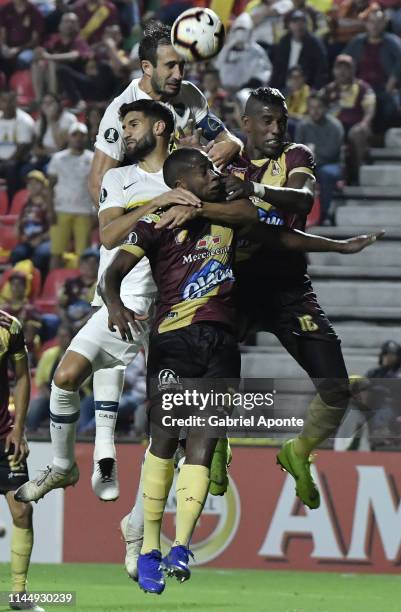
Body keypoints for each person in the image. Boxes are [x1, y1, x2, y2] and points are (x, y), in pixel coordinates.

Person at [101, 145, 381, 594]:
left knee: (201, 443)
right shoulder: (155, 222)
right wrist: (114, 304)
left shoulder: (232, 219)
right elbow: (112, 271)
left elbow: (280, 239)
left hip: (222, 346)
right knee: (164, 442)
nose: (215, 173)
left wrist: (340, 247)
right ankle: (149, 548)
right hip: (173, 341)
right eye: (205, 170)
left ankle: (182, 545)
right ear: (180, 182)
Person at [85, 20, 244, 501]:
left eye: (183, 63)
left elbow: (231, 143)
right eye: (171, 65)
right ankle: (108, 453)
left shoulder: (191, 97)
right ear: (147, 67)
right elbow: (99, 182)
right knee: (124, 336)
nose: (181, 72)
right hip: (145, 232)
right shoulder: (121, 113)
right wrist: (147, 215)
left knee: (192, 328)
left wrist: (201, 165)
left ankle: (204, 443)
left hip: (188, 228)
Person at [221, 87, 381, 510]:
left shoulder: (296, 156)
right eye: (267, 121)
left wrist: (252, 189)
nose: (276, 129)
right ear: (247, 123)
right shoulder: (226, 162)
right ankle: (214, 442)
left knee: (335, 389)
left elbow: (303, 199)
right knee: (211, 369)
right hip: (235, 286)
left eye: (282, 121)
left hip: (289, 288)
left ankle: (299, 449)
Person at [0, 310, 44, 612]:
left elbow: (22, 377)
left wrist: (18, 428)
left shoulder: (8, 327)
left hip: (4, 435)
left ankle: (18, 595)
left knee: (22, 511)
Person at [320, 54, 376, 184]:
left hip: (355, 127)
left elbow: (370, 109)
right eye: (339, 68)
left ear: (353, 70)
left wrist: (364, 123)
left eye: (347, 68)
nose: (342, 71)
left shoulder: (364, 88)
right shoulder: (327, 90)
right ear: (334, 70)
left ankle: (356, 176)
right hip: (332, 128)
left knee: (357, 132)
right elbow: (315, 109)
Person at [344, 8, 401, 130]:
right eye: (371, 22)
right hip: (360, 87)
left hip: (384, 88)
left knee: (390, 105)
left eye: (378, 22)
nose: (374, 26)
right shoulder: (358, 41)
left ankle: (381, 136)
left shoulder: (392, 42)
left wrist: (393, 80)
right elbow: (343, 60)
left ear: (384, 24)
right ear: (366, 23)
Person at [47, 122, 94, 269]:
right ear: (69, 137)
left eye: (82, 135)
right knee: (56, 252)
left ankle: (80, 287)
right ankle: (54, 286)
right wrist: (50, 210)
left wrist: (96, 211)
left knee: (83, 254)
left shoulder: (93, 158)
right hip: (61, 210)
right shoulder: (57, 158)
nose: (78, 138)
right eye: (75, 135)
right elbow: (50, 187)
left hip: (85, 211)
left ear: (86, 138)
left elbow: (96, 187)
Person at [296, 93, 344, 223]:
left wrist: (312, 154)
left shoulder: (335, 126)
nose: (315, 111)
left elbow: (331, 153)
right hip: (310, 164)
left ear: (325, 108)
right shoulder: (303, 125)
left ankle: (324, 214)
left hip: (331, 164)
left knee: (325, 173)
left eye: (319, 107)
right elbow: (298, 150)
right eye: (312, 107)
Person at [26, 323, 73, 432]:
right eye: (60, 336)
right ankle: (30, 433)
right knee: (36, 404)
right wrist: (51, 397)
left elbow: (83, 383)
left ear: (72, 338)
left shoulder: (78, 356)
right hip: (50, 395)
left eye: (65, 336)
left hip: (74, 396)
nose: (62, 339)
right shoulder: (49, 354)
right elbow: (40, 380)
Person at [270, 10, 329, 91]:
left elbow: (321, 70)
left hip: (307, 88)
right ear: (289, 24)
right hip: (284, 87)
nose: (298, 25)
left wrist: (315, 90)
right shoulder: (284, 42)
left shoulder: (315, 44)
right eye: (295, 22)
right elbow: (277, 69)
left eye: (302, 21)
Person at [213, 12, 272, 92]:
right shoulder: (225, 51)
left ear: (250, 31)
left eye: (243, 29)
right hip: (224, 92)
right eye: (238, 29)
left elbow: (262, 75)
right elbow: (217, 68)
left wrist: (243, 88)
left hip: (247, 92)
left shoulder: (257, 52)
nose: (240, 33)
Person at [10, 170, 52, 276]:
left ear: (43, 186)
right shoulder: (26, 205)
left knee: (41, 254)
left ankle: (39, 285)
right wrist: (19, 231)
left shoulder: (48, 205)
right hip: (28, 241)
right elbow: (19, 224)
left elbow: (54, 229)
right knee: (17, 254)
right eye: (29, 183)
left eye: (35, 183)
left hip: (44, 240)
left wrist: (41, 239)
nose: (31, 186)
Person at [0, 89, 35, 204]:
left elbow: (22, 149)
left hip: (17, 160)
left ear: (16, 102)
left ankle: (10, 202)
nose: (8, 104)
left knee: (11, 167)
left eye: (11, 101)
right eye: (5, 101)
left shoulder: (24, 120)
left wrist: (6, 161)